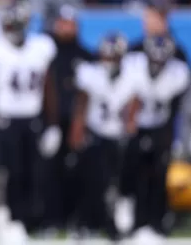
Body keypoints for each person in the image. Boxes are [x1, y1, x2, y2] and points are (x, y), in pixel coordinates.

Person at [0, 2, 60, 242]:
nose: (14, 29)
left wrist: (52, 124)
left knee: (32, 174)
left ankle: (25, 221)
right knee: (1, 174)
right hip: (3, 121)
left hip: (31, 120)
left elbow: (48, 88)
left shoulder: (40, 48)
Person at [118, 36, 190, 241]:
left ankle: (155, 224)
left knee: (159, 176)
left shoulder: (178, 73)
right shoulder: (134, 67)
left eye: (162, 60)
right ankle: (135, 223)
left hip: (161, 127)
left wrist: (174, 138)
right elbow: (128, 99)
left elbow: (178, 107)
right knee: (133, 174)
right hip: (136, 127)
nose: (157, 64)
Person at [68, 33, 139, 240]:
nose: (108, 61)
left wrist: (131, 122)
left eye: (113, 56)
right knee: (91, 183)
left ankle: (111, 226)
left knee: (114, 185)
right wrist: (77, 129)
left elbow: (134, 102)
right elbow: (82, 103)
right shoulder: (91, 73)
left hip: (118, 135)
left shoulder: (131, 75)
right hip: (96, 133)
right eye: (106, 56)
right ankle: (83, 224)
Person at [45, 5, 93, 231]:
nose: (65, 27)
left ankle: (76, 219)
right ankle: (50, 220)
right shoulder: (45, 52)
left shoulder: (85, 56)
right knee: (48, 172)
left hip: (76, 123)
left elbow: (89, 94)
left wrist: (82, 125)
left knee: (77, 172)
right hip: (50, 123)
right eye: (62, 23)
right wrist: (48, 124)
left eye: (69, 23)